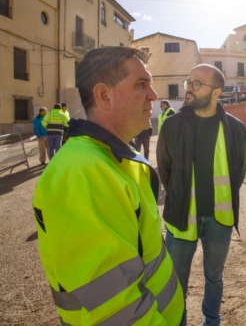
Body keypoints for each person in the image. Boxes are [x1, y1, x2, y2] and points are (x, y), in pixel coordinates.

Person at [33, 47, 185, 325]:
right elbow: (118, 311)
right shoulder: (81, 171)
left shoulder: (114, 158)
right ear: (104, 95)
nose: (153, 95)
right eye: (141, 84)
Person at [157, 64, 246, 325]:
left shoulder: (236, 128)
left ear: (216, 92)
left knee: (214, 277)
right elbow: (165, 169)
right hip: (181, 216)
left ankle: (212, 320)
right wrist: (179, 195)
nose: (189, 88)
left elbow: (238, 172)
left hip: (220, 220)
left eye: (197, 84)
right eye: (189, 82)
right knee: (176, 282)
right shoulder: (172, 125)